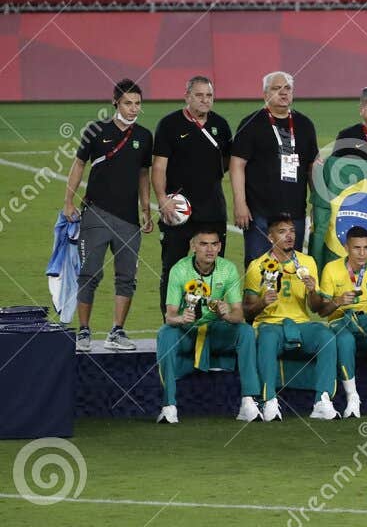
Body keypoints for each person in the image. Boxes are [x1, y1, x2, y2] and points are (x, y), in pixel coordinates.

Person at [62, 78, 152, 352]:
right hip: (96, 215)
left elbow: (143, 174)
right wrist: (68, 201)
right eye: (128, 103)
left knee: (127, 277)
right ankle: (84, 331)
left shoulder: (144, 137)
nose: (133, 108)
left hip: (129, 220)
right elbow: (78, 165)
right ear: (115, 103)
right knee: (89, 273)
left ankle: (117, 331)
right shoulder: (95, 130)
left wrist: (146, 209)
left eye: (137, 103)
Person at [155, 225, 259, 424]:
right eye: (203, 244)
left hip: (216, 330)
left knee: (245, 332)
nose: (209, 249)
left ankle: (248, 401)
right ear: (193, 246)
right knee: (166, 334)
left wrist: (227, 315)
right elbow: (170, 315)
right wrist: (181, 319)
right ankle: (169, 406)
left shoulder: (228, 269)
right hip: (188, 331)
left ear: (220, 247)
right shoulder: (180, 270)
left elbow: (239, 314)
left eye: (214, 244)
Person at [242, 213, 338, 421]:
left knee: (326, 335)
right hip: (269, 325)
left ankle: (322, 400)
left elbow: (315, 309)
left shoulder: (307, 263)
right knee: (267, 339)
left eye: (292, 231)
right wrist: (261, 303)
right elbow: (246, 311)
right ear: (270, 237)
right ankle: (269, 401)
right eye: (282, 231)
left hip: (301, 324)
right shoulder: (256, 266)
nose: (289, 236)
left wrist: (313, 291)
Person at [152, 75, 233, 319]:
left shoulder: (221, 125)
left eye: (209, 96)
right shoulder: (169, 125)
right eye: (199, 95)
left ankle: (207, 321)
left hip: (213, 211)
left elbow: (230, 162)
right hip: (177, 212)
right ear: (187, 96)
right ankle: (171, 321)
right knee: (172, 268)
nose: (205, 100)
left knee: (214, 270)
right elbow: (158, 167)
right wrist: (162, 199)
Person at [232, 71, 317, 264]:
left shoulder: (304, 124)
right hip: (259, 213)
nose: (283, 92)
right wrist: (239, 202)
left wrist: (317, 203)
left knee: (291, 270)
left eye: (287, 88)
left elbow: (312, 167)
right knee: (258, 270)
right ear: (265, 94)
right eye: (276, 88)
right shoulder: (251, 123)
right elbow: (237, 164)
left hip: (294, 213)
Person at [318, 224, 367, 418]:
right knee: (345, 341)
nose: (362, 253)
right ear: (346, 248)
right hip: (342, 320)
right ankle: (352, 398)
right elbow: (321, 311)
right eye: (357, 248)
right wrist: (338, 301)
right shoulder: (331, 269)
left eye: (366, 248)